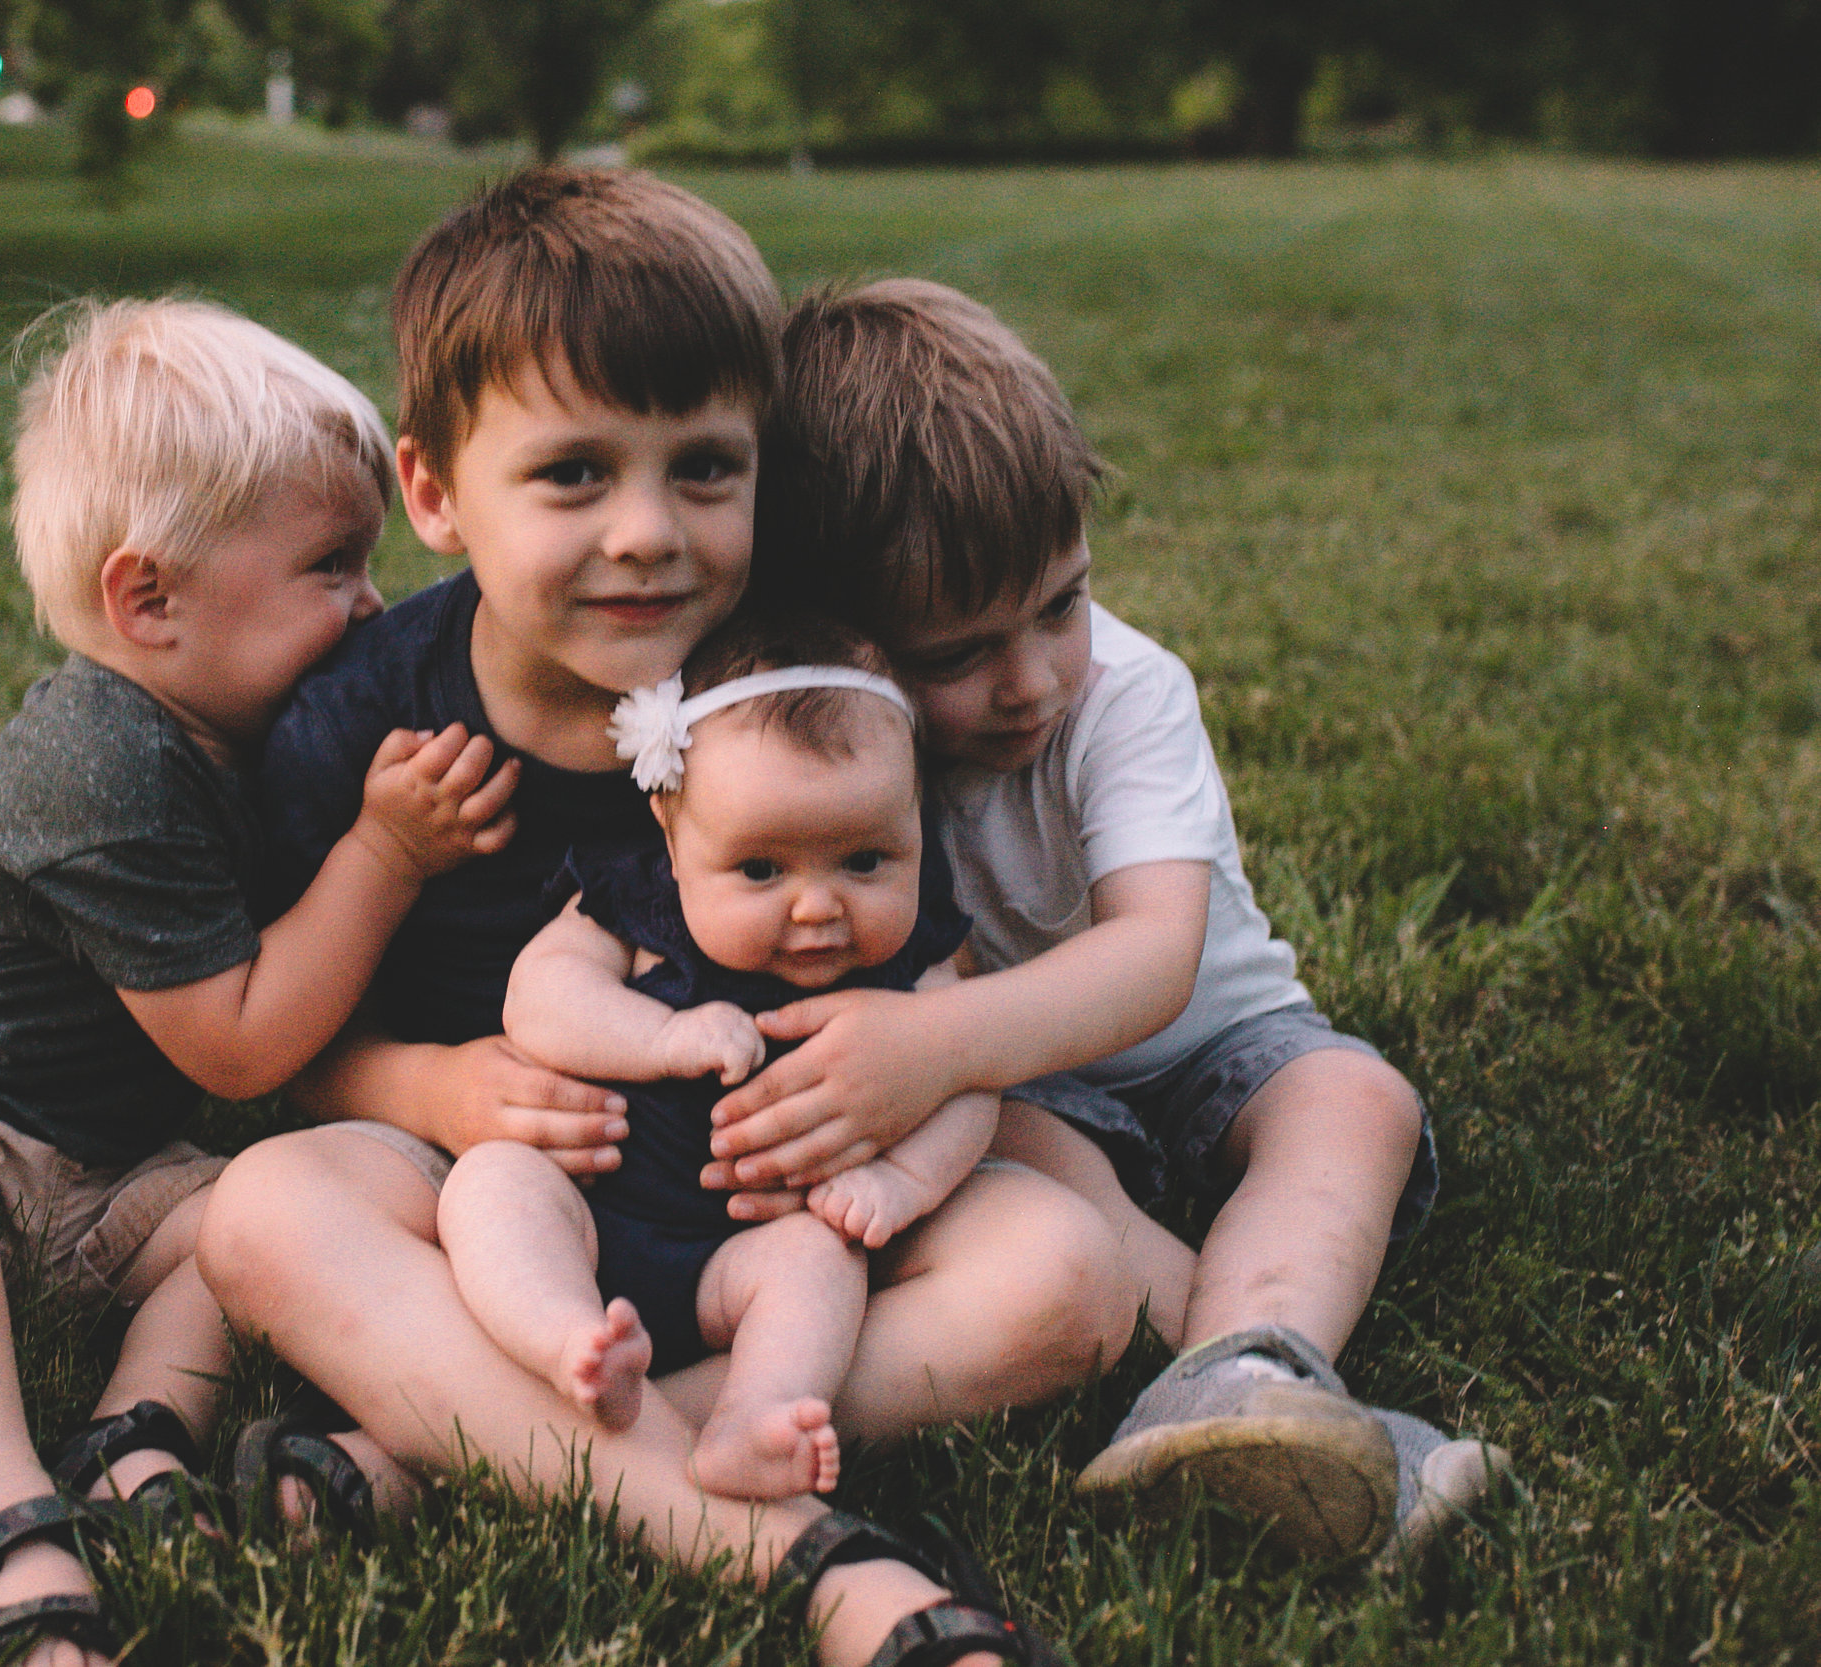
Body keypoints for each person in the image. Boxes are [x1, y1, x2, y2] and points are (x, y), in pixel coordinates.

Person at [200, 168, 1133, 1667]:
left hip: (785, 1221)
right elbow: (297, 1041)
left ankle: (439, 1451)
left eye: (705, 469)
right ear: (431, 491)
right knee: (263, 1212)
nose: (648, 533)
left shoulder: (808, 697)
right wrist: (433, 1083)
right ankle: (807, 1559)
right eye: (574, 474)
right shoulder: (362, 727)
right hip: (497, 1197)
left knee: (1068, 1273)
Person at [0, 298, 516, 1667]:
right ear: (149, 599)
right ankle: (2, 1531)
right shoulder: (104, 760)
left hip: (97, 1174)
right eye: (332, 564)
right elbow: (242, 1042)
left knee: (260, 1208)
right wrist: (386, 851)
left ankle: (138, 1439)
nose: (372, 603)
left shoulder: (244, 741)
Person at [739, 276, 1511, 1563]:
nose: (1031, 677)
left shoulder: (1128, 698)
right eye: (957, 652)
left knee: (1353, 1102)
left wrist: (934, 1045)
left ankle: (1249, 1352)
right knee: (1033, 1179)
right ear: (842, 641)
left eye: (1061, 602)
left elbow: (1155, 959)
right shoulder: (835, 750)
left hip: (1216, 1044)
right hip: (1032, 1099)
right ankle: (1271, 1418)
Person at [444, 616, 997, 1502]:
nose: (818, 906)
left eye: (865, 859)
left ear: (916, 825)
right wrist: (659, 1037)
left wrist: (901, 1183)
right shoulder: (634, 901)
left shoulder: (917, 952)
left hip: (744, 1258)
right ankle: (568, 1342)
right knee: (492, 1183)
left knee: (821, 1265)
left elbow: (971, 1088)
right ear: (672, 830)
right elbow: (537, 999)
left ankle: (754, 1415)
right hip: (592, 1208)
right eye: (760, 870)